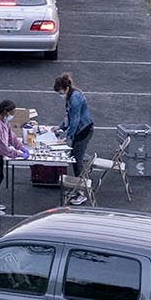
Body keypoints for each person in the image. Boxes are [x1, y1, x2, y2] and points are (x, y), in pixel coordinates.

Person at [54, 73, 95, 205]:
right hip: (80, 129)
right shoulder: (69, 96)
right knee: (74, 156)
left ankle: (81, 192)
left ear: (65, 88)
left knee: (76, 159)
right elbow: (68, 116)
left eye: (60, 92)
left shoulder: (75, 98)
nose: (60, 94)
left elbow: (75, 121)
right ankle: (80, 183)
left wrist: (66, 137)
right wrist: (60, 127)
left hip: (84, 130)